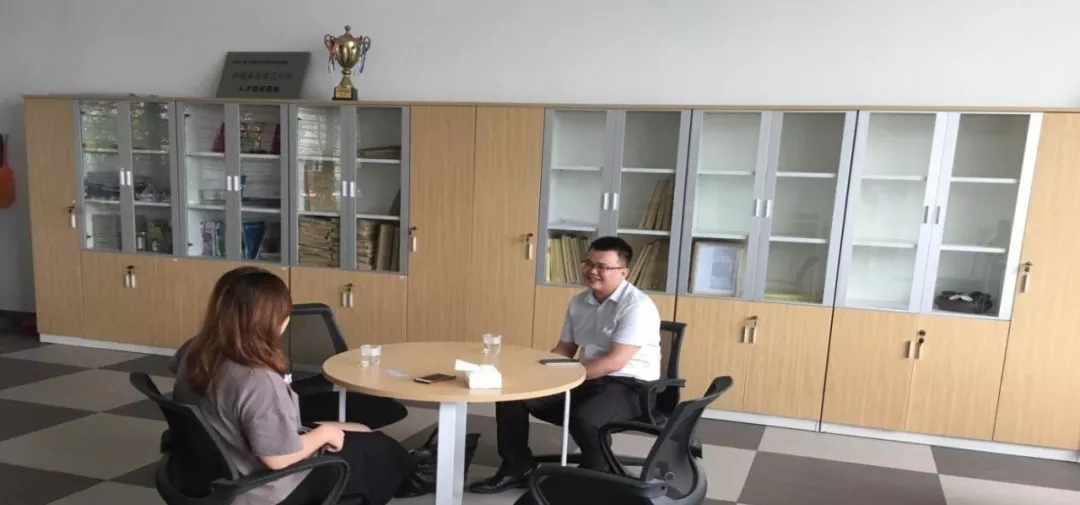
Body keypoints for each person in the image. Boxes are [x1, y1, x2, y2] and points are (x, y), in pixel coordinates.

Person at [170, 266, 412, 505]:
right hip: (264, 485)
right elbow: (278, 459)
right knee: (380, 453)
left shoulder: (192, 350)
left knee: (361, 430)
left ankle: (413, 471)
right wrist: (324, 433)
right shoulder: (258, 380)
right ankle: (413, 476)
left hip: (216, 468)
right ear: (275, 321)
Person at [470, 236, 662, 494]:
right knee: (513, 396)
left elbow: (614, 361)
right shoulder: (579, 302)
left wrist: (565, 379)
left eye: (602, 266)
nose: (592, 271)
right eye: (588, 263)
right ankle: (517, 467)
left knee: (586, 418)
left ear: (623, 272)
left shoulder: (637, 307)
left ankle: (596, 475)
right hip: (587, 378)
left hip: (631, 385)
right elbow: (565, 349)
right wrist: (537, 372)